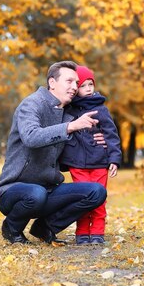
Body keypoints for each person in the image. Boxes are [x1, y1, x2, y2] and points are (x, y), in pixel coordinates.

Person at [0, 61, 107, 244]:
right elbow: (31, 137)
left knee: (96, 192)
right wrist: (70, 127)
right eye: (69, 81)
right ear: (52, 83)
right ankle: (11, 228)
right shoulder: (31, 105)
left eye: (76, 83)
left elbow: (67, 159)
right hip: (12, 191)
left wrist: (101, 144)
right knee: (35, 194)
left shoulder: (68, 114)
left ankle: (45, 227)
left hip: (48, 190)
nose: (74, 87)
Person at [59, 66, 122, 245]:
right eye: (83, 85)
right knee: (82, 198)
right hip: (77, 163)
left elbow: (111, 134)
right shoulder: (68, 111)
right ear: (76, 88)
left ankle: (97, 233)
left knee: (99, 198)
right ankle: (82, 233)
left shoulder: (100, 109)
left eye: (91, 84)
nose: (88, 88)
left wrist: (114, 159)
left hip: (99, 162)